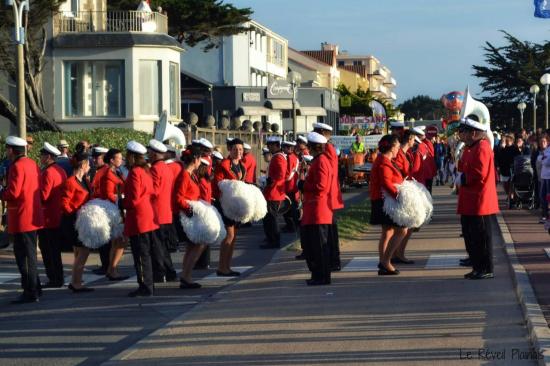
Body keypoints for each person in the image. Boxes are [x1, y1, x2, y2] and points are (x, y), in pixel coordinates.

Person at [1, 136, 44, 303]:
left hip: (21, 216)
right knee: (30, 254)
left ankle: (30, 291)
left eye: (7, 149)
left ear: (11, 150)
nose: (6, 152)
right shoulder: (32, 163)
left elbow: (14, 193)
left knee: (24, 257)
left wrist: (2, 193)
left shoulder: (17, 166)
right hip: (31, 215)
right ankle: (36, 287)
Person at [455, 118, 498, 279]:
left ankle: (485, 268)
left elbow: (479, 173)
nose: (461, 135)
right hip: (470, 199)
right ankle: (477, 266)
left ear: (473, 133)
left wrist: (463, 178)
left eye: (463, 132)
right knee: (470, 235)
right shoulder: (470, 147)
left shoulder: (482, 147)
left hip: (479, 201)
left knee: (481, 237)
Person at [124, 141, 159, 297]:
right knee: (145, 254)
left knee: (140, 254)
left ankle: (145, 286)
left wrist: (121, 202)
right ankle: (149, 284)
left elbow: (133, 199)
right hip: (147, 215)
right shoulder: (145, 170)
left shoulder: (135, 172)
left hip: (138, 217)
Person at [369, 134, 407, 276]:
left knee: (388, 231)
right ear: (391, 148)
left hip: (383, 200)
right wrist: (400, 196)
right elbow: (386, 183)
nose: (398, 149)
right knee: (402, 230)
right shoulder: (384, 162)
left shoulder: (384, 160)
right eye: (397, 146)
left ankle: (383, 262)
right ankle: (386, 261)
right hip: (385, 201)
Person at [299, 132, 333, 286]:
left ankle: (321, 276)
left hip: (318, 210)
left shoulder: (320, 162)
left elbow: (321, 186)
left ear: (313, 147)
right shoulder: (321, 160)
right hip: (316, 209)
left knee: (319, 247)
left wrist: (303, 185)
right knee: (314, 246)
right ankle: (318, 275)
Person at [176, 147, 210, 288]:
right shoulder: (185, 175)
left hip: (191, 214)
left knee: (193, 246)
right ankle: (186, 276)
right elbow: (178, 198)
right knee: (195, 245)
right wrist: (189, 208)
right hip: (187, 215)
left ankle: (186, 275)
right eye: (199, 159)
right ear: (195, 160)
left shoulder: (191, 174)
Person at [213, 138, 247, 275]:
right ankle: (222, 267)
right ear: (230, 150)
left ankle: (227, 266)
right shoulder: (224, 164)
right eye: (235, 149)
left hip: (235, 204)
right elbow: (218, 183)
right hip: (224, 203)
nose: (238, 152)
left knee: (234, 236)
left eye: (240, 149)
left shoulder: (242, 165)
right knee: (229, 235)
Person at [61, 151, 94, 293]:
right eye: (88, 164)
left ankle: (77, 280)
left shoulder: (85, 180)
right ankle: (75, 283)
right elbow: (64, 203)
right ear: (83, 165)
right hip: (74, 220)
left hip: (82, 220)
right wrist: (75, 213)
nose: (90, 166)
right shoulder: (70, 181)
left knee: (79, 252)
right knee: (84, 251)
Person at [312, 122, 344, 271]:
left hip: (328, 196)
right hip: (330, 194)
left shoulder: (327, 150)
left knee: (329, 233)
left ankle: (333, 260)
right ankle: (333, 260)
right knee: (330, 231)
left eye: (317, 132)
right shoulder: (328, 148)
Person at [94, 148, 128, 281]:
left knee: (117, 242)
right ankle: (112, 269)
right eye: (119, 158)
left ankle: (112, 269)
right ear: (112, 160)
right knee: (119, 241)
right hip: (115, 209)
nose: (121, 159)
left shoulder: (116, 171)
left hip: (117, 207)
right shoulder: (109, 173)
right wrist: (121, 199)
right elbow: (108, 194)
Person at [148, 140, 178, 283]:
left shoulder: (155, 169)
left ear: (154, 154)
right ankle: (170, 272)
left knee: (157, 246)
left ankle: (160, 273)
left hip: (157, 212)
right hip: (166, 211)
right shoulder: (166, 167)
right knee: (163, 246)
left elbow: (155, 191)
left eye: (149, 152)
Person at [38, 142, 67, 288]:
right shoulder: (59, 170)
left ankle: (54, 278)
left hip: (47, 217)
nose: (40, 158)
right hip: (56, 214)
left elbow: (43, 196)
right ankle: (58, 277)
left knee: (48, 250)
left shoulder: (48, 172)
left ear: (48, 156)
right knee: (55, 250)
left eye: (42, 155)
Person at [262, 136, 287, 249]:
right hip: (273, 191)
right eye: (268, 145)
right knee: (269, 218)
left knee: (272, 218)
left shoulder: (278, 157)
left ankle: (274, 241)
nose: (269, 147)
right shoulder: (277, 156)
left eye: (271, 145)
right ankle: (270, 239)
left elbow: (281, 174)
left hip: (274, 192)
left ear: (277, 145)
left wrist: (271, 181)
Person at [90, 146, 111, 275]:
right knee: (102, 240)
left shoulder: (106, 171)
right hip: (99, 206)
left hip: (104, 207)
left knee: (105, 239)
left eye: (96, 157)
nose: (94, 159)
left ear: (103, 157)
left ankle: (107, 265)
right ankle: (105, 264)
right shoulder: (97, 170)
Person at [282, 140, 299, 233]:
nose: (283, 149)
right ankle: (293, 226)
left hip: (289, 185)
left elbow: (287, 174)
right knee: (292, 207)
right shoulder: (294, 157)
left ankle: (292, 226)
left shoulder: (289, 157)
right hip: (293, 185)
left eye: (285, 147)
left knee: (288, 208)